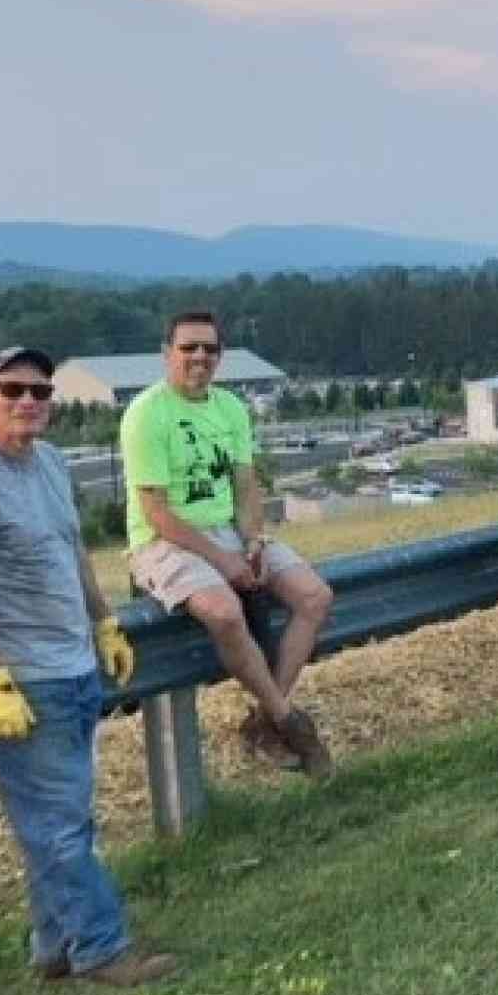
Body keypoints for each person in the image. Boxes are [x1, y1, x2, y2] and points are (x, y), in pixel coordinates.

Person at [0, 346, 175, 987]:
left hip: (74, 666)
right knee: (61, 828)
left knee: (59, 821)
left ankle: (54, 949)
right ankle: (102, 950)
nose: (29, 401)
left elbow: (72, 550)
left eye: (40, 390)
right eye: (12, 389)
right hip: (24, 681)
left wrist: (102, 621)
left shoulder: (51, 463)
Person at [121, 309, 335, 775]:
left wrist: (254, 540)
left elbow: (244, 486)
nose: (200, 357)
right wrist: (221, 559)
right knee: (224, 611)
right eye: (188, 347)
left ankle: (263, 721)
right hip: (165, 540)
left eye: (210, 349)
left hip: (229, 529)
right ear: (166, 354)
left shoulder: (230, 408)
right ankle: (290, 722)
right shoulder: (146, 414)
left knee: (315, 597)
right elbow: (156, 512)